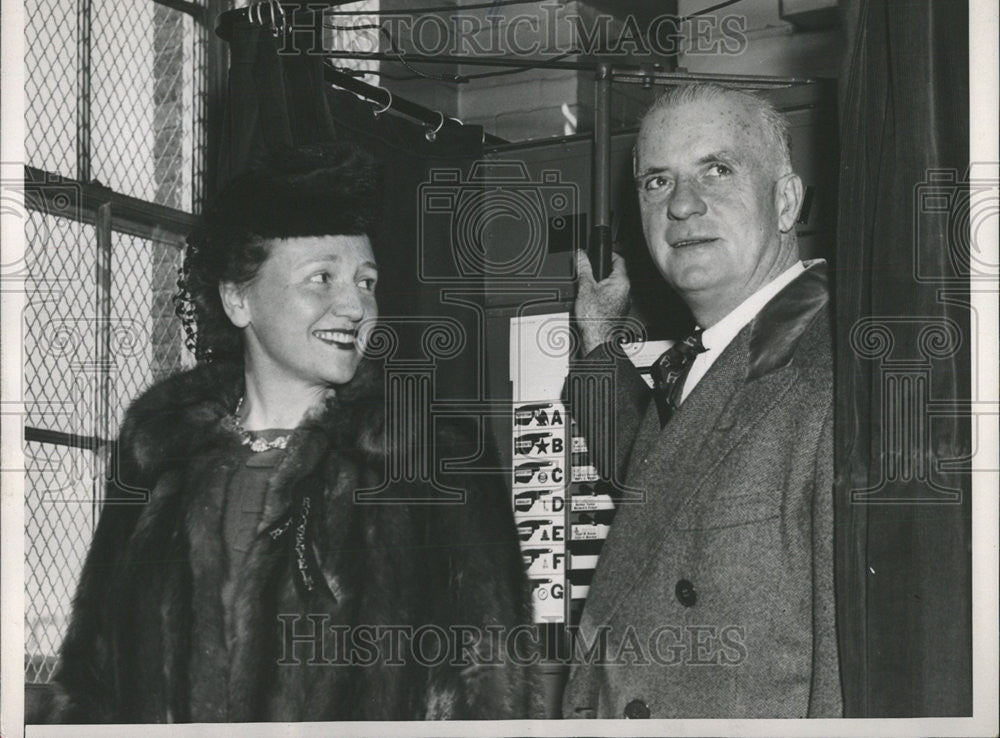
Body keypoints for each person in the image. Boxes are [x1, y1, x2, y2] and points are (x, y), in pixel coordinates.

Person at [46, 143, 537, 722]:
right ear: (237, 298)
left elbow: (490, 689)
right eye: (321, 278)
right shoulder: (158, 448)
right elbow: (94, 673)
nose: (355, 305)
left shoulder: (433, 458)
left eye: (368, 280)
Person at [563, 83, 842, 718]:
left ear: (785, 201)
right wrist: (600, 338)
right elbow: (659, 479)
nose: (683, 205)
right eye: (657, 182)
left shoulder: (836, 371)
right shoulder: (715, 356)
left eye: (717, 170)